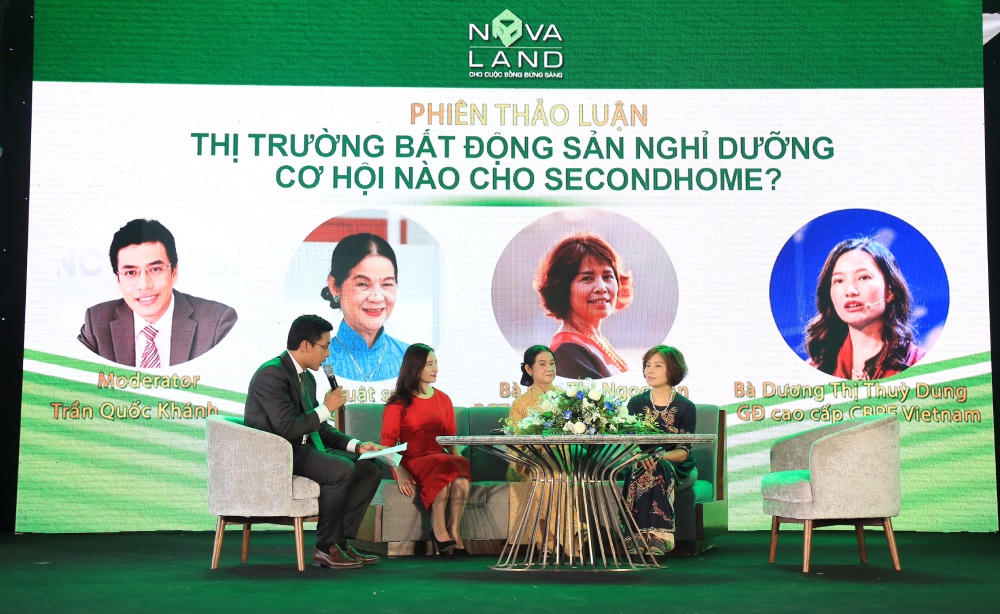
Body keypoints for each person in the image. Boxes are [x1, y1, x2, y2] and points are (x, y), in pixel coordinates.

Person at [244, 314, 383, 569]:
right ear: (306, 345)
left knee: (370, 467)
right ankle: (325, 547)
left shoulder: (306, 378)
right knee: (342, 469)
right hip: (279, 454)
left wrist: (356, 445)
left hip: (302, 449)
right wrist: (326, 408)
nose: (328, 354)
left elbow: (317, 426)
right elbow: (286, 428)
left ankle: (340, 542)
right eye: (325, 346)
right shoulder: (272, 375)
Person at [78, 218, 237, 367]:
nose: (144, 285)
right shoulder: (97, 322)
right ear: (118, 280)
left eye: (155, 269)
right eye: (130, 273)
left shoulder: (217, 323)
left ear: (174, 272)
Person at [381, 344, 471, 555]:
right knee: (443, 464)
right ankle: (438, 529)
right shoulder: (398, 402)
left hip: (439, 458)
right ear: (415, 367)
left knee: (459, 473)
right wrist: (399, 471)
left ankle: (454, 529)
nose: (435, 369)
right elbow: (387, 445)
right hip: (412, 460)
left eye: (436, 363)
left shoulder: (444, 399)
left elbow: (450, 441)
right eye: (429, 364)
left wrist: (460, 465)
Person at [805, 237, 925, 380]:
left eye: (863, 277)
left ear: (890, 290)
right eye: (839, 280)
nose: (850, 291)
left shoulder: (919, 365)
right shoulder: (816, 368)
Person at [621, 345, 696, 556]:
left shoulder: (686, 407)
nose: (650, 370)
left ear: (672, 369)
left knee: (659, 468)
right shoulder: (636, 403)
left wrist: (660, 456)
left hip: (673, 463)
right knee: (639, 469)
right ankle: (636, 535)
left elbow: (683, 451)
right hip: (640, 460)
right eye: (647, 366)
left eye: (657, 366)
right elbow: (628, 442)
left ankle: (658, 537)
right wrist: (640, 456)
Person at [506, 345, 575, 552]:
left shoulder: (566, 399)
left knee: (556, 475)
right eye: (542, 364)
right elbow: (514, 444)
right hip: (530, 464)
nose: (549, 368)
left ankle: (548, 540)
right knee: (546, 477)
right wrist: (533, 448)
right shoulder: (521, 403)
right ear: (529, 369)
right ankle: (568, 534)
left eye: (552, 363)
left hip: (560, 461)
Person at [535, 232, 633, 379]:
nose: (601, 288)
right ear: (563, 288)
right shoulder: (568, 353)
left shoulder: (594, 340)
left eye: (607, 276)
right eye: (587, 278)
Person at [320, 233, 408, 382]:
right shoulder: (315, 362)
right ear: (334, 287)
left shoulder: (414, 360)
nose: (377, 297)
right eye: (363, 284)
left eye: (387, 284)